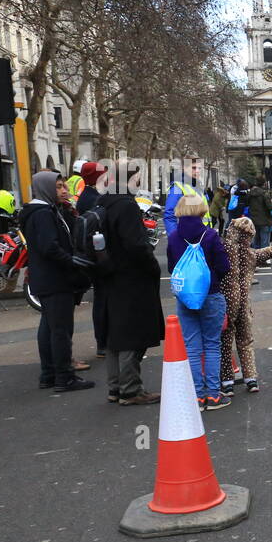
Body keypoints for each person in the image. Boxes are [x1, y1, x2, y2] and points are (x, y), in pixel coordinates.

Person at [97, 164, 166, 406]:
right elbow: (136, 245)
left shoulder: (105, 202)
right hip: (131, 277)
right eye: (137, 178)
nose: (139, 182)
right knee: (132, 334)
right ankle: (130, 389)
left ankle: (115, 387)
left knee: (116, 334)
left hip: (111, 275)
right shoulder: (126, 206)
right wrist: (152, 264)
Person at [19, 171, 94, 392]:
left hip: (46, 277)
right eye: (59, 186)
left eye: (64, 186)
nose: (64, 190)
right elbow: (49, 246)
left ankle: (49, 373)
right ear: (45, 188)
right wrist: (72, 262)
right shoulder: (42, 213)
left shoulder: (43, 211)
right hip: (54, 278)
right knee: (60, 329)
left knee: (49, 327)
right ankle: (64, 377)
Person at [219, 217, 272, 396]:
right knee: (245, 341)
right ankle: (251, 379)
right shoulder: (251, 255)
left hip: (226, 304)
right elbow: (270, 251)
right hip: (244, 303)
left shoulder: (223, 251)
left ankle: (227, 382)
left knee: (225, 342)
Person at [167, 191, 231, 410]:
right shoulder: (211, 235)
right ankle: (213, 395)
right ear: (201, 210)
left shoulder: (174, 237)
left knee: (192, 348)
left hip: (185, 298)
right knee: (212, 344)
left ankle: (197, 394)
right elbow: (224, 267)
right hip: (211, 295)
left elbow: (171, 268)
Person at [71, 162, 111, 357]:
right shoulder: (94, 199)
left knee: (102, 298)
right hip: (97, 255)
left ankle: (103, 341)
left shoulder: (87, 196)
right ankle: (102, 342)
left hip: (93, 254)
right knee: (103, 298)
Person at [245, 177, 272, 255]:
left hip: (254, 219)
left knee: (256, 239)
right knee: (264, 241)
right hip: (264, 220)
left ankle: (255, 257)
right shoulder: (264, 193)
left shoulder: (250, 193)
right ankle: (263, 257)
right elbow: (270, 207)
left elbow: (246, 203)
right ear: (264, 183)